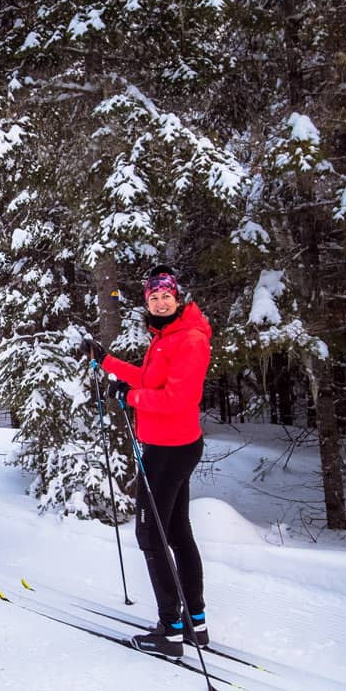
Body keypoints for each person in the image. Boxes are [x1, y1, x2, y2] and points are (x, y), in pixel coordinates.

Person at [84, 266, 212, 658]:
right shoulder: (165, 337)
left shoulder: (188, 339)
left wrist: (132, 398)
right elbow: (151, 379)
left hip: (170, 449)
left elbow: (177, 399)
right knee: (176, 533)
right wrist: (108, 364)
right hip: (167, 446)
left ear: (178, 297)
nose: (159, 302)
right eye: (153, 297)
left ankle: (170, 629)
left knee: (150, 536)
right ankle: (195, 622)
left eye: (165, 296)